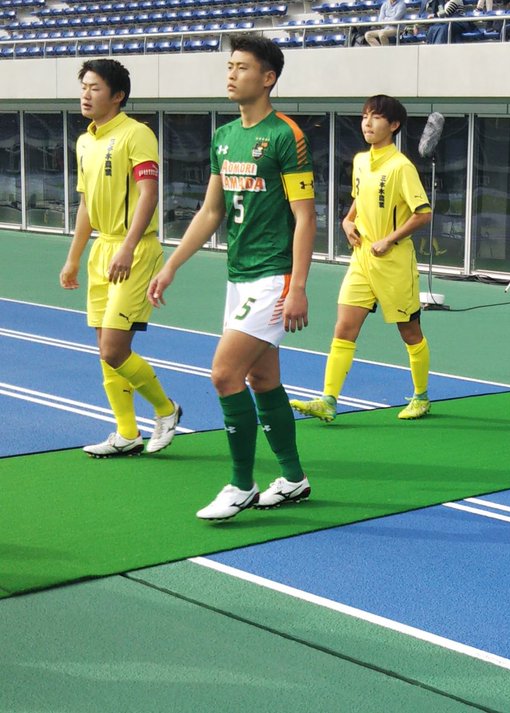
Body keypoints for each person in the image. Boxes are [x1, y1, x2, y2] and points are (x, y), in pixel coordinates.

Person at [148, 35, 317, 521]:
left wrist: (298, 285)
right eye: (230, 65)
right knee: (262, 378)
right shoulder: (223, 137)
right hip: (238, 276)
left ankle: (241, 485)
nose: (231, 73)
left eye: (242, 67)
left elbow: (305, 217)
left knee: (224, 374)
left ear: (268, 78)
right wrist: (172, 263)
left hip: (272, 276)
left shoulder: (287, 136)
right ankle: (293, 479)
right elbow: (211, 211)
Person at [59, 59, 181, 458]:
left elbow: (149, 194)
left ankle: (166, 410)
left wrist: (127, 247)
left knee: (114, 349)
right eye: (84, 87)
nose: (86, 94)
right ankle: (127, 432)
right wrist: (74, 258)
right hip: (102, 249)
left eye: (95, 88)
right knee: (103, 348)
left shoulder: (137, 134)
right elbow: (85, 205)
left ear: (117, 95)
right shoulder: (84, 141)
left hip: (136, 248)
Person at [291, 96, 434, 424]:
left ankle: (421, 396)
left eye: (376, 118)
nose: (368, 123)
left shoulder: (401, 166)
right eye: (365, 117)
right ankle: (328, 399)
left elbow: (423, 213)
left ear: (394, 125)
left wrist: (389, 238)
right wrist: (346, 220)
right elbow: (358, 201)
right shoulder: (359, 160)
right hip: (361, 261)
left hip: (394, 263)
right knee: (343, 328)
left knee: (409, 331)